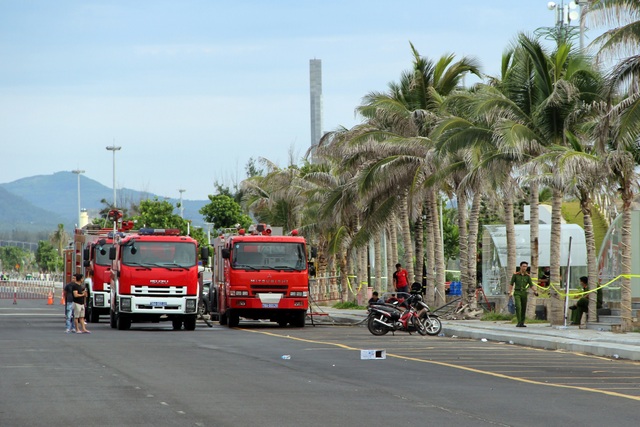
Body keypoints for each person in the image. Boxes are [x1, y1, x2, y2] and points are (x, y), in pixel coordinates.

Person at [509, 261, 538, 327]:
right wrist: (510, 292)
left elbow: (531, 285)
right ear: (520, 267)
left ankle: (522, 322)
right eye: (523, 266)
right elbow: (511, 284)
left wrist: (535, 291)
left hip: (524, 293)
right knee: (518, 306)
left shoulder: (527, 276)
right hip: (517, 292)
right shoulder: (516, 275)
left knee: (523, 308)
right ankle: (519, 321)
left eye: (526, 266)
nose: (525, 268)